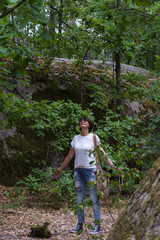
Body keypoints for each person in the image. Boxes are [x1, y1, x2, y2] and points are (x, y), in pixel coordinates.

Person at [54, 116, 114, 235]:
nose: (82, 122)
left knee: (93, 198)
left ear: (89, 125)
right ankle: (80, 224)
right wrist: (60, 168)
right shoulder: (76, 139)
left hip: (90, 170)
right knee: (79, 199)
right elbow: (69, 156)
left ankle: (97, 225)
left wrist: (112, 165)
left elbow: (102, 153)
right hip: (78, 172)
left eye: (85, 120)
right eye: (81, 120)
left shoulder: (93, 137)